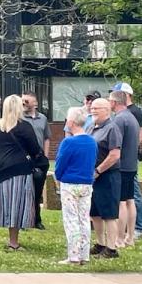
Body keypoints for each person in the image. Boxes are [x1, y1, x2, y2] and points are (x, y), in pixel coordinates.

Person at [0, 94, 41, 251]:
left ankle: (11, 239)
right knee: (18, 204)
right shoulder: (24, 126)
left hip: (1, 169)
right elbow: (35, 149)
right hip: (19, 169)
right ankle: (14, 242)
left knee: (8, 204)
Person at [54, 107, 97, 265]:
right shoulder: (92, 142)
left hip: (70, 184)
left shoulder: (68, 142)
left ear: (71, 122)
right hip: (86, 183)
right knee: (84, 219)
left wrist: (58, 177)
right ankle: (84, 254)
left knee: (71, 219)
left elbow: (61, 164)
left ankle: (73, 255)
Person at [112, 82, 142, 239]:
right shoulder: (129, 116)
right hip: (130, 161)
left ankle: (134, 229)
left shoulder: (131, 114)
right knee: (130, 198)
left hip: (125, 162)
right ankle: (131, 233)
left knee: (127, 198)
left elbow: (137, 137)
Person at [88, 98, 122, 259]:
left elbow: (115, 155)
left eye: (97, 108)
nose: (93, 110)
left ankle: (111, 248)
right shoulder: (91, 127)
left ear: (107, 110)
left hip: (107, 175)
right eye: (92, 107)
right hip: (93, 176)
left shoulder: (111, 128)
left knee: (109, 213)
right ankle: (100, 243)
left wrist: (99, 170)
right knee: (95, 212)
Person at [109, 90, 140, 249]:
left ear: (115, 102)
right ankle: (130, 237)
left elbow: (116, 144)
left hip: (121, 166)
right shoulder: (131, 117)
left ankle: (120, 239)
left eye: (110, 101)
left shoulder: (119, 120)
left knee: (121, 202)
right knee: (130, 200)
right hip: (132, 165)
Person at [22, 93, 50, 230]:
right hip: (25, 158)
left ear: (35, 103)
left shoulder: (42, 118)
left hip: (40, 158)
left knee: (38, 191)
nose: (24, 103)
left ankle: (36, 219)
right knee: (25, 190)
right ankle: (23, 219)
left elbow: (46, 138)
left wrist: (45, 155)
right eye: (22, 101)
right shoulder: (20, 118)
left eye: (27, 101)